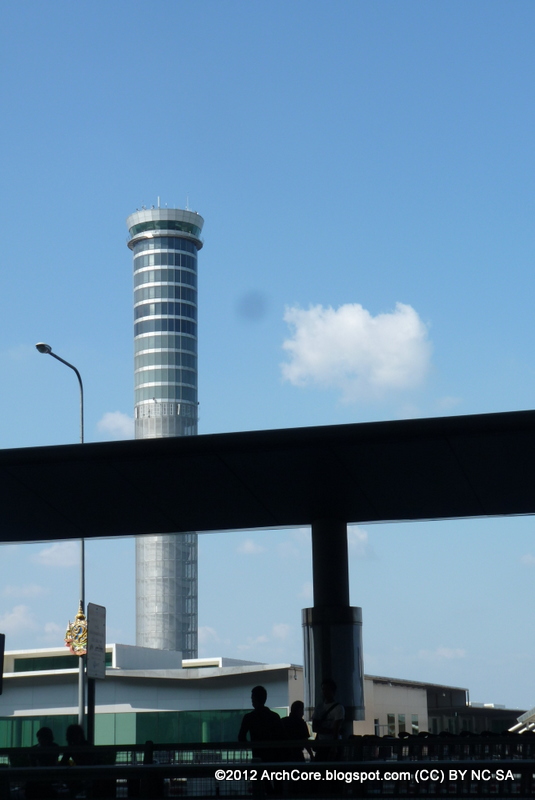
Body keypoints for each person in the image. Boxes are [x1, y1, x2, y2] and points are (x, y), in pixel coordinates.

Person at [238, 685, 282, 762]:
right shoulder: (274, 716)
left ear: (254, 699)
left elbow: (241, 737)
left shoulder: (249, 717)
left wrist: (250, 745)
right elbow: (281, 736)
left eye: (252, 698)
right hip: (273, 756)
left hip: (257, 756)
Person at [311, 679, 344, 761]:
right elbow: (336, 730)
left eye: (327, 689)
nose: (325, 692)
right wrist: (333, 731)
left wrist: (323, 730)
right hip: (332, 744)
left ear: (333, 691)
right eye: (323, 689)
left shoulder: (319, 707)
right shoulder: (338, 708)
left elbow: (315, 727)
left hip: (323, 743)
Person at [26, 727, 60, 799]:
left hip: (45, 776)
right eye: (39, 738)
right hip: (48, 776)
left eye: (41, 738)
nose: (40, 740)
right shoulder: (55, 747)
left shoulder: (35, 749)